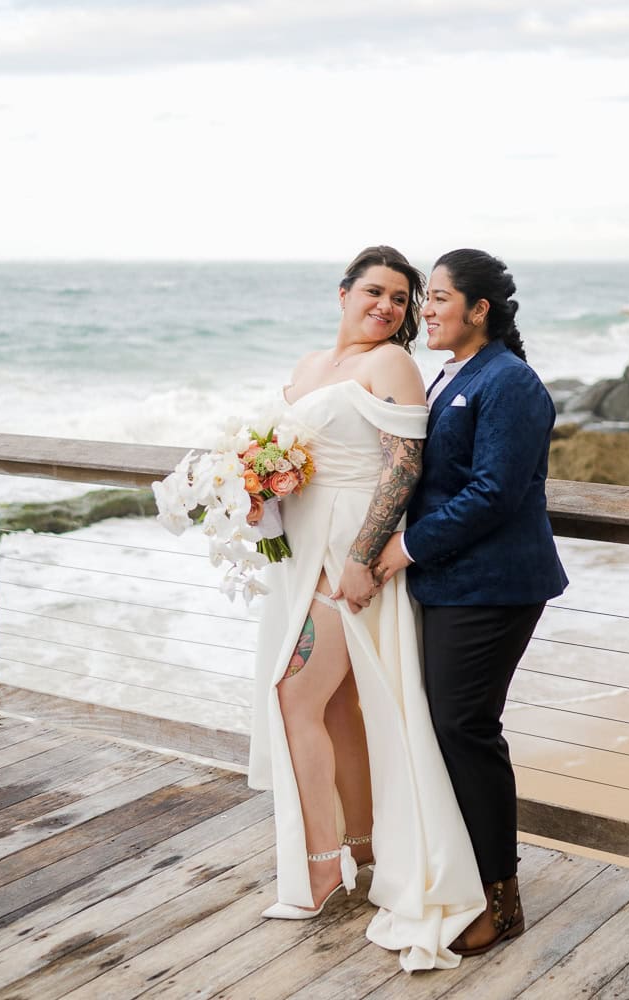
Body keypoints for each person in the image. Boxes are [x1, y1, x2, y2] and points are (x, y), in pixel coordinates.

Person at [247, 245, 484, 971]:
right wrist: (256, 489)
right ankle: (365, 852)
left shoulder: (393, 367)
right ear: (343, 291)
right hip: (302, 547)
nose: (387, 307)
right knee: (340, 706)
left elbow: (404, 468)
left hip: (352, 554)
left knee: (294, 694)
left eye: (402, 300)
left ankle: (321, 872)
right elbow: (292, 455)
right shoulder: (312, 363)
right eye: (375, 292)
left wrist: (362, 558)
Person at [373, 249, 569, 957]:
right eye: (425, 300)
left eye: (440, 299)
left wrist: (407, 547)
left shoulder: (510, 382)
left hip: (495, 586)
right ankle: (456, 877)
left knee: (465, 728)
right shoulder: (451, 373)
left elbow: (495, 492)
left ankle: (502, 899)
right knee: (448, 727)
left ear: (479, 309)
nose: (426, 310)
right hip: (452, 584)